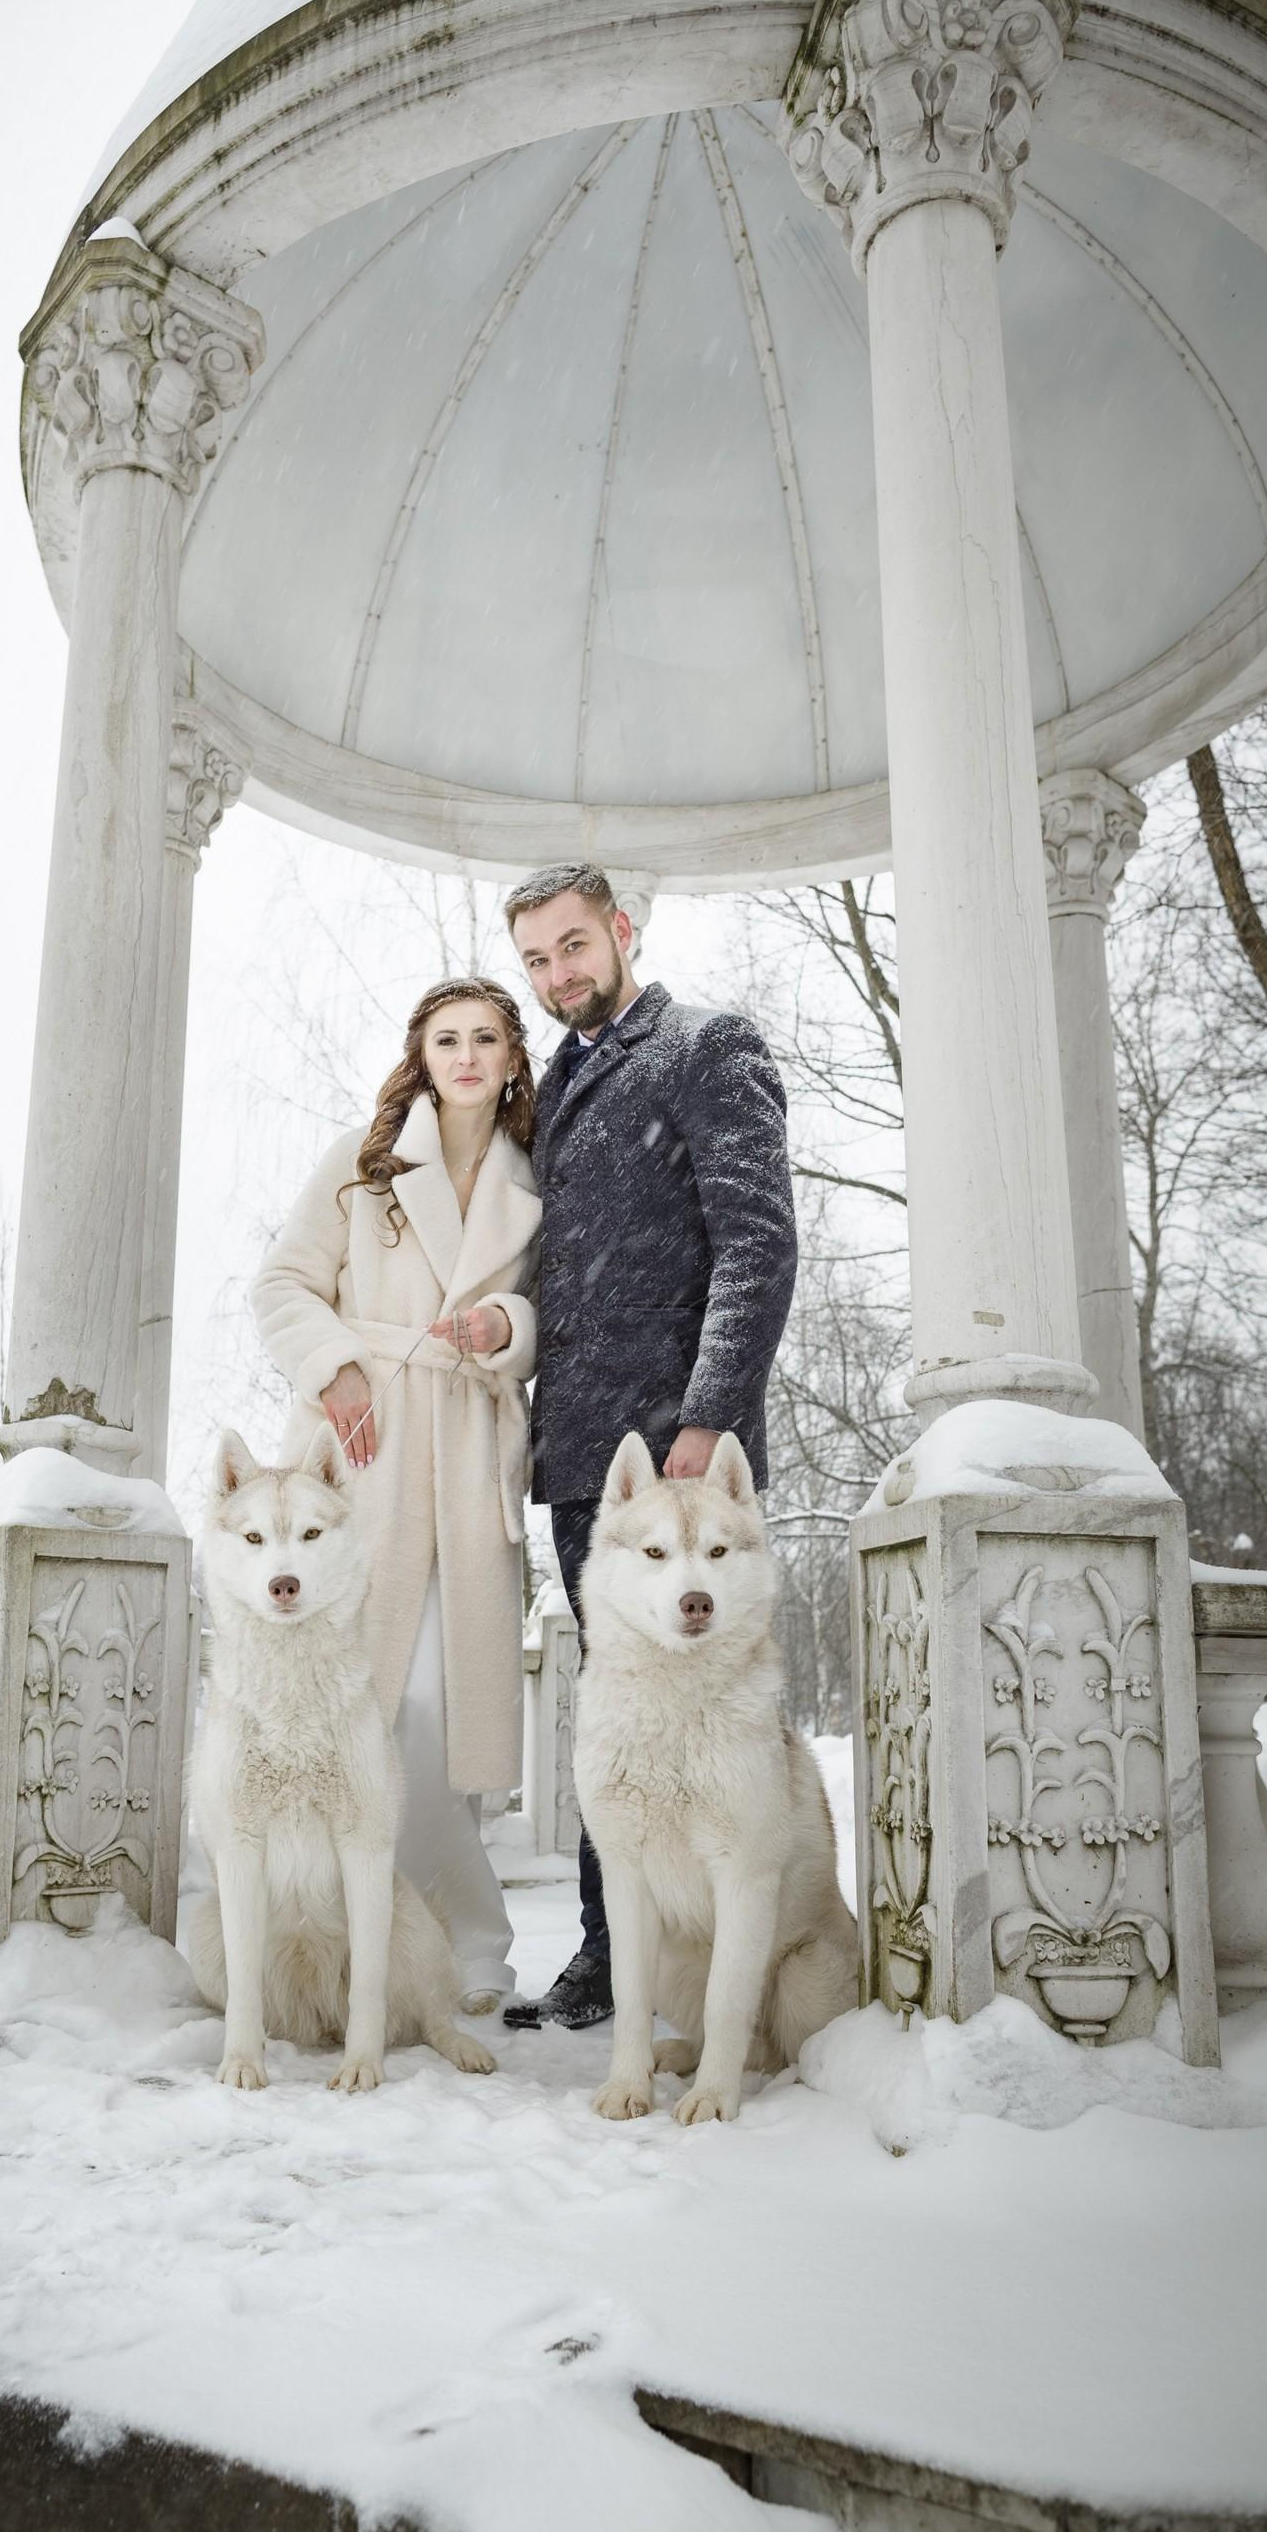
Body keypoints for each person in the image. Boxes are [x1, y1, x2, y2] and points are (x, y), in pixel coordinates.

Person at [500, 865, 798, 2031]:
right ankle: (611, 1957)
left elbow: (756, 1242)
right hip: (585, 1461)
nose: (557, 973)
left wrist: (706, 1417)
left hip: (684, 1466)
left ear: (621, 930)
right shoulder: (558, 1079)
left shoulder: (703, 1047)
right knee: (612, 1716)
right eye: (536, 958)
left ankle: (734, 1955)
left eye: (571, 945)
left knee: (712, 1716)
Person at [251, 976, 541, 2010]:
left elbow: (550, 1310)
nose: (466, 1055)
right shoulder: (365, 1164)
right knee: (361, 1702)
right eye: (446, 1039)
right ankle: (343, 1925)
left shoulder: (535, 1180)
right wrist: (332, 1365)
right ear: (420, 1057)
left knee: (441, 1708)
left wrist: (505, 1328)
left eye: (487, 1038)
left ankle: (468, 1940)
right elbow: (281, 1282)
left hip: (466, 1449)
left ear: (512, 1058)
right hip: (361, 1447)